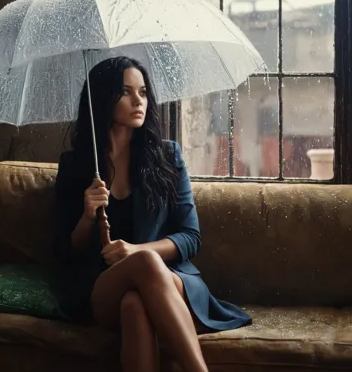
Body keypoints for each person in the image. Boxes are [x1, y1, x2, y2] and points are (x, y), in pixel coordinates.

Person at [54, 57, 251, 372]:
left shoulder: (167, 157)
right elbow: (64, 250)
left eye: (143, 92)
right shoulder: (75, 166)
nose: (138, 101)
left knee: (136, 299)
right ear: (103, 98)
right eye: (126, 92)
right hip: (102, 286)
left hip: (169, 280)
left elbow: (190, 237)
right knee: (131, 291)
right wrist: (87, 216)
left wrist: (135, 252)